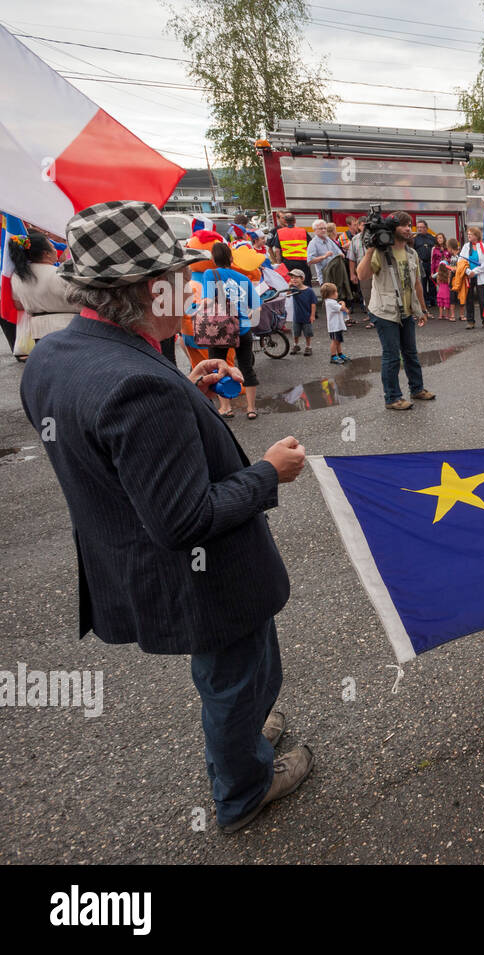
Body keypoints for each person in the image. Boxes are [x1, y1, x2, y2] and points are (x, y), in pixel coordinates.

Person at [20, 199, 313, 833]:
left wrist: (191, 396)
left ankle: (246, 729)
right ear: (153, 290)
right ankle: (244, 789)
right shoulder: (137, 383)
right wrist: (267, 473)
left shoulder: (57, 355)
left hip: (132, 560)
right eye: (178, 278)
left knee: (244, 675)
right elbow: (183, 519)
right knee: (234, 677)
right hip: (202, 578)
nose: (189, 288)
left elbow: (112, 448)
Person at [356, 210, 435, 410]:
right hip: (385, 311)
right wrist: (369, 251)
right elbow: (362, 275)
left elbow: (417, 282)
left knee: (411, 353)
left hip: (407, 311)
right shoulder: (380, 253)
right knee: (391, 356)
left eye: (410, 225)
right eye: (404, 225)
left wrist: (422, 310)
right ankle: (392, 398)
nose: (409, 229)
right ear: (393, 228)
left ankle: (417, 389)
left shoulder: (411, 253)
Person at [201, 242, 261, 420]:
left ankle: (226, 408)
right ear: (231, 258)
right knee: (246, 367)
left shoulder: (209, 273)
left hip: (220, 329)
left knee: (217, 367)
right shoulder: (243, 278)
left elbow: (208, 300)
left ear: (213, 258)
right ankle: (251, 409)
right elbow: (256, 304)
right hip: (242, 328)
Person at [7, 232, 78, 360]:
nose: (55, 251)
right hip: (69, 327)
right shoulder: (60, 273)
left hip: (38, 332)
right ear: (46, 253)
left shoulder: (17, 276)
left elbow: (18, 305)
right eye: (52, 247)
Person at [458, 227, 484, 328]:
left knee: (482, 300)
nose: (468, 236)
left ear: (476, 235)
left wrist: (474, 272)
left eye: (470, 234)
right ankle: (470, 321)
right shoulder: (466, 246)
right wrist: (468, 271)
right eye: (468, 234)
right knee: (469, 299)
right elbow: (461, 261)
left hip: (480, 276)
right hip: (468, 277)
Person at [270, 212, 311, 286]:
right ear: (295, 221)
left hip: (287, 263)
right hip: (302, 262)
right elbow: (310, 245)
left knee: (290, 283)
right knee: (305, 283)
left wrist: (279, 263)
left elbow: (277, 250)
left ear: (285, 222)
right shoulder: (303, 231)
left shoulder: (280, 232)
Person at [286, 269, 317, 356]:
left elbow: (313, 303)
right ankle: (296, 345)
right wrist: (289, 286)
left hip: (307, 316)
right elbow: (287, 295)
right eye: (292, 278)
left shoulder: (309, 291)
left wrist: (312, 315)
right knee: (295, 333)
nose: (294, 279)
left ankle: (308, 346)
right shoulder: (293, 289)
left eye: (296, 277)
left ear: (302, 279)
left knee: (307, 333)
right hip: (296, 316)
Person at [321, 282, 349, 364]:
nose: (337, 293)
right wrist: (343, 303)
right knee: (335, 341)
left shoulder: (332, 302)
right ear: (331, 294)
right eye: (336, 292)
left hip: (337, 325)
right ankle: (333, 356)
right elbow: (343, 308)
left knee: (338, 341)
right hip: (334, 326)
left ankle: (340, 354)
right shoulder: (330, 303)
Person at [412, 221, 437, 307]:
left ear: (426, 228)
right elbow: (412, 251)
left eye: (421, 227)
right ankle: (426, 301)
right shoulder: (415, 239)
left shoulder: (432, 238)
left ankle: (433, 300)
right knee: (422, 283)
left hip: (431, 263)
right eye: (418, 227)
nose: (419, 229)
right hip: (421, 264)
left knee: (432, 282)